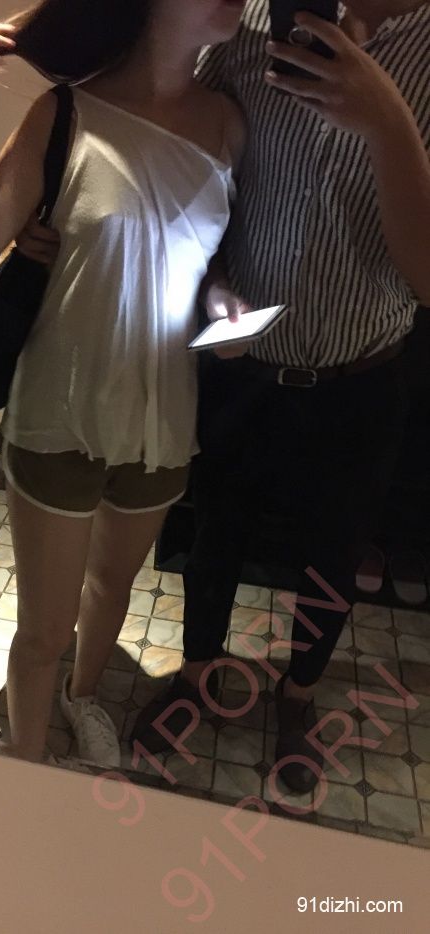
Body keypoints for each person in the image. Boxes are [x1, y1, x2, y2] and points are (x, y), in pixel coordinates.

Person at [0, 0, 248, 766]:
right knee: (42, 627)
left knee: (111, 587)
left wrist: (220, 301)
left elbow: (204, 256)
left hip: (164, 418)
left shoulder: (230, 124)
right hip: (61, 408)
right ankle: (26, 758)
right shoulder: (64, 114)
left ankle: (84, 695)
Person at [125, 0, 430, 793]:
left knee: (334, 551)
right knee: (216, 527)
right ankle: (197, 672)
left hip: (363, 374)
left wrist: (387, 120)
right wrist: (213, 282)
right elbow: (199, 171)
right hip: (245, 364)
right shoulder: (255, 24)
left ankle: (298, 696)